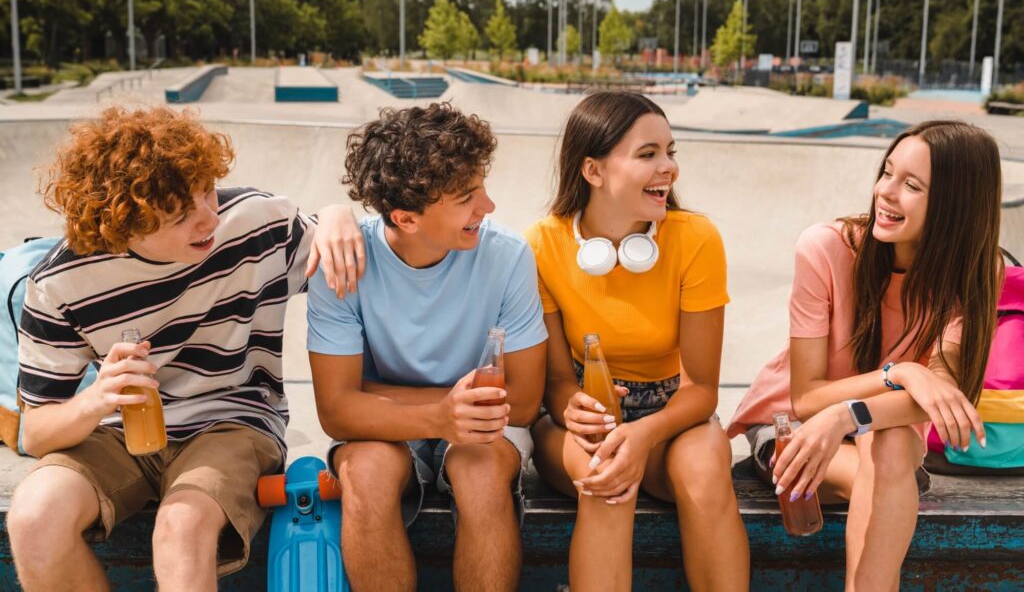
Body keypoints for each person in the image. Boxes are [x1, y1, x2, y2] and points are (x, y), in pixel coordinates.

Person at [7, 105, 358, 591]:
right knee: (33, 518)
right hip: (118, 433)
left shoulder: (256, 223)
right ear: (122, 223)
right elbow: (37, 431)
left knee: (181, 527)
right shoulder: (60, 283)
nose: (209, 219)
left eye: (208, 191)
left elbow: (348, 243)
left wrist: (341, 215)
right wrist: (97, 398)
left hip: (231, 420)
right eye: (179, 215)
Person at [727, 120, 1001, 589]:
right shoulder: (827, 248)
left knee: (889, 445)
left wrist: (845, 418)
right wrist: (904, 372)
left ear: (955, 205)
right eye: (887, 172)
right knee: (889, 465)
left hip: (878, 436)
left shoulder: (975, 274)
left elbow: (938, 397)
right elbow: (808, 397)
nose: (885, 192)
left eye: (911, 185)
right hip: (790, 427)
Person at [305, 102, 547, 592]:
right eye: (466, 197)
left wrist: (375, 394)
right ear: (406, 219)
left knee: (479, 472)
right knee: (366, 472)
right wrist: (442, 412)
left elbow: (521, 401)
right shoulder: (343, 263)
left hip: (478, 428)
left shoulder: (508, 256)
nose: (489, 207)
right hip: (391, 433)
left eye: (482, 187)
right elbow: (336, 411)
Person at [525, 91, 749, 592]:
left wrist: (644, 436)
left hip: (674, 416)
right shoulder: (542, 244)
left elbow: (702, 390)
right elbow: (558, 382)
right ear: (593, 170)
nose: (668, 168)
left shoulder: (696, 239)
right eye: (648, 154)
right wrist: (577, 410)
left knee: (707, 470)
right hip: (580, 423)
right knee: (607, 479)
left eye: (671, 152)